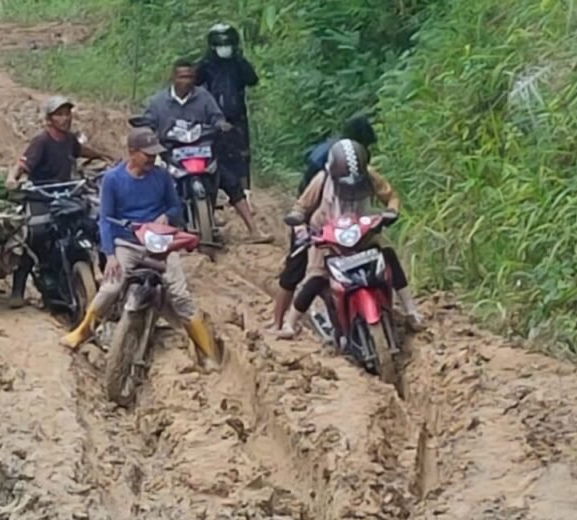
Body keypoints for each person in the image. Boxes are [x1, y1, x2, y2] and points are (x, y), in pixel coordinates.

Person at [60, 127, 220, 365]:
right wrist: (110, 254)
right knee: (111, 288)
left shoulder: (162, 177)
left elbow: (175, 208)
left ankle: (208, 352)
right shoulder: (113, 179)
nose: (152, 159)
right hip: (128, 242)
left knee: (179, 294)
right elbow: (105, 219)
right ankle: (83, 330)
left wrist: (166, 216)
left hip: (162, 243)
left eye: (155, 155)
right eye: (148, 154)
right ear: (132, 153)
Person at [275, 138, 426, 339]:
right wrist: (301, 229)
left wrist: (391, 211)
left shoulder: (370, 176)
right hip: (328, 238)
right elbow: (300, 208)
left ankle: (411, 311)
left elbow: (391, 196)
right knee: (317, 278)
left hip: (362, 233)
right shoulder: (321, 180)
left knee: (388, 256)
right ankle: (290, 323)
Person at [144, 58, 273, 244]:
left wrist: (221, 125)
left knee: (231, 182)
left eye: (190, 77)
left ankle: (253, 229)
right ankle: (156, 232)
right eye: (181, 77)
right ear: (173, 77)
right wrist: (147, 130)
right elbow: (148, 121)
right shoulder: (158, 102)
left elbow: (216, 116)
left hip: (202, 152)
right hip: (172, 155)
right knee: (154, 186)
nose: (186, 81)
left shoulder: (204, 97)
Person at [270, 116, 379, 332]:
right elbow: (306, 196)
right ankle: (279, 322)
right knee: (298, 267)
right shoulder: (327, 161)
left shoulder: (352, 156)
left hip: (345, 217)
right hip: (315, 216)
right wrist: (302, 225)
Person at [4, 96, 110, 308]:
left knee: (92, 226)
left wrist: (105, 157)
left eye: (67, 113)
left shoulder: (70, 140)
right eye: (59, 114)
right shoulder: (41, 142)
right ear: (49, 119)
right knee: (36, 234)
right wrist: (12, 178)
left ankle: (107, 279)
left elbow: (81, 151)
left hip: (67, 193)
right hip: (41, 195)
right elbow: (22, 164)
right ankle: (18, 288)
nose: (65, 118)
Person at [195, 23, 259, 196]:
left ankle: (245, 190)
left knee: (242, 152)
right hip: (213, 117)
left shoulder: (238, 63)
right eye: (220, 44)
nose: (224, 48)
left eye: (227, 44)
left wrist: (240, 59)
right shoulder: (208, 63)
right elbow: (195, 80)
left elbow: (252, 79)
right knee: (212, 151)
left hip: (237, 115)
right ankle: (214, 189)